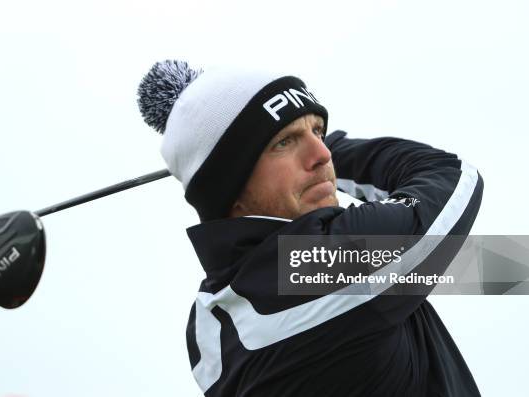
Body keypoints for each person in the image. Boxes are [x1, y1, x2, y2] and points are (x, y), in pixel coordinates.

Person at [137, 60, 484, 396]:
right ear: (230, 187)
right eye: (284, 142)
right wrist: (338, 147)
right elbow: (450, 176)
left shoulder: (216, 318)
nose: (322, 154)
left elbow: (483, 264)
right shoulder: (314, 268)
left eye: (318, 131)